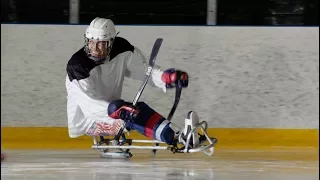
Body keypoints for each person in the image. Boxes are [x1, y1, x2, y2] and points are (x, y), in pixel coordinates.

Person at [65, 17, 200, 148]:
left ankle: (180, 135)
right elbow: (89, 106)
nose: (95, 48)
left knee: (136, 110)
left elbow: (145, 70)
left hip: (113, 110)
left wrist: (165, 78)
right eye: (91, 42)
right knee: (131, 115)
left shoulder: (122, 49)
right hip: (87, 120)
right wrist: (115, 111)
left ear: (111, 42)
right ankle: (178, 138)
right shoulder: (77, 66)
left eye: (101, 43)